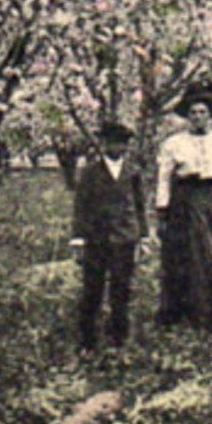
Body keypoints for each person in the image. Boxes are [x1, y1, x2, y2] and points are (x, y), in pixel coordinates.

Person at [155, 81, 212, 329]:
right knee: (190, 253)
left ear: (210, 115)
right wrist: (162, 210)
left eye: (202, 112)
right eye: (193, 113)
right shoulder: (174, 144)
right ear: (187, 116)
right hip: (186, 199)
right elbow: (163, 178)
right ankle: (188, 311)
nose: (198, 117)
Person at [70, 121, 150, 353]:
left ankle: (118, 338)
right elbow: (81, 207)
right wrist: (78, 239)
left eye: (121, 142)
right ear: (102, 144)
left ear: (126, 146)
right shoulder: (90, 172)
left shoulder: (133, 172)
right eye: (110, 142)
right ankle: (88, 341)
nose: (115, 147)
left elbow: (139, 205)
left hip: (125, 239)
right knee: (92, 290)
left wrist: (143, 236)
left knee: (121, 290)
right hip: (97, 239)